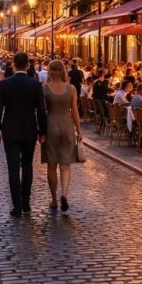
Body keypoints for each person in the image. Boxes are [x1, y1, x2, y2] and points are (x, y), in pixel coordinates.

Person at [0, 52, 48, 217]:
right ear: (28, 66)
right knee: (28, 166)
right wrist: (42, 132)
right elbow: (41, 111)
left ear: (14, 64)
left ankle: (16, 205)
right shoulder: (35, 85)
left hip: (10, 131)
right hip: (29, 131)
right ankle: (26, 203)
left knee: (13, 168)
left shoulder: (4, 84)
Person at [41, 60, 82, 212]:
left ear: (50, 72)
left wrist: (41, 131)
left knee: (52, 165)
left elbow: (41, 111)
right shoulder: (71, 89)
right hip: (67, 125)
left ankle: (54, 199)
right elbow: (75, 112)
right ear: (64, 71)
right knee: (65, 165)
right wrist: (79, 130)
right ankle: (64, 193)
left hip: (51, 125)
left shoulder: (44, 88)